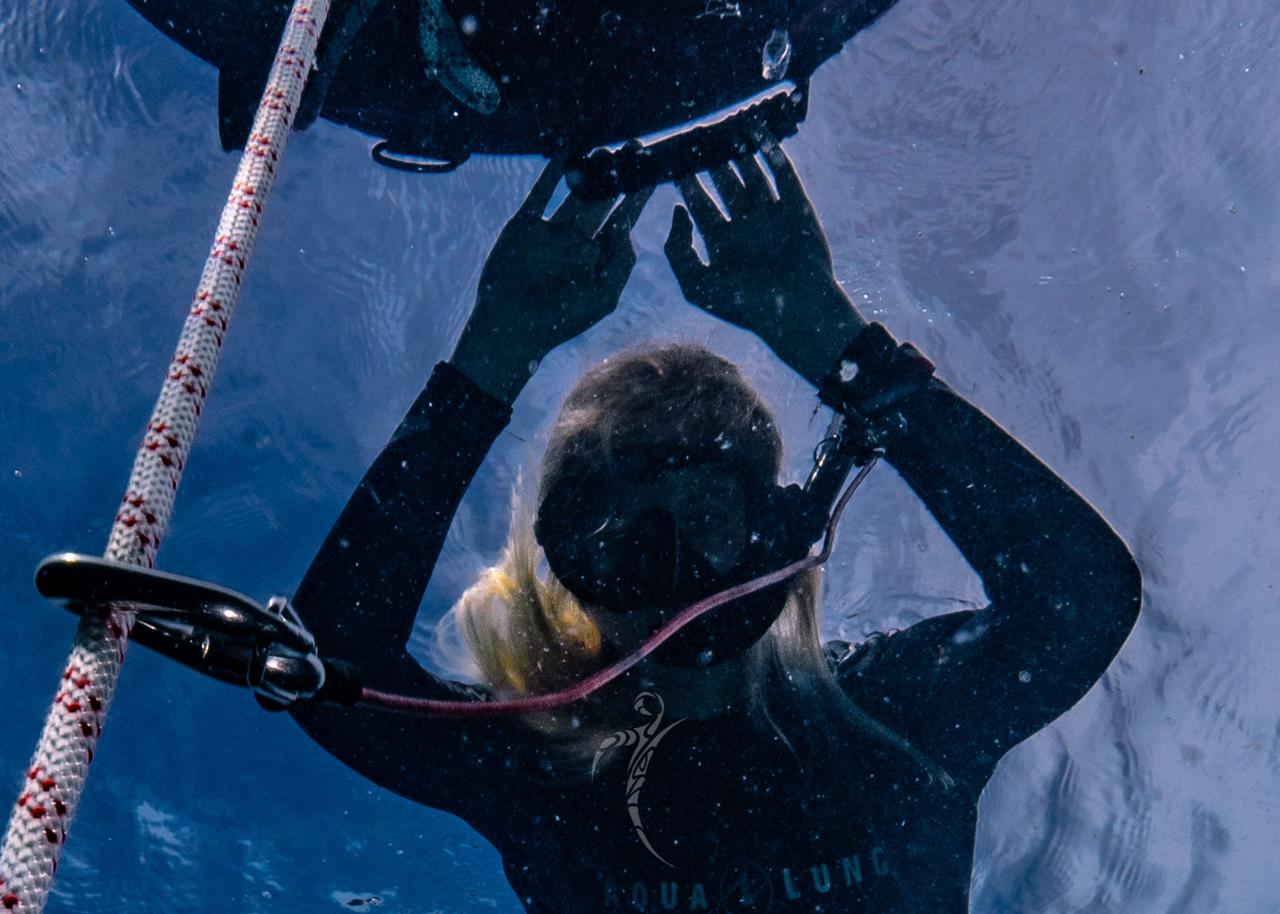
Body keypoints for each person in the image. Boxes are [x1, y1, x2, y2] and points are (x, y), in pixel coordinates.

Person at [288, 148, 1142, 913]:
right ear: (567, 559)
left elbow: (1081, 599)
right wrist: (493, 344)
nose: (668, 567)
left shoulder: (892, 715)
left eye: (703, 519)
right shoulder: (543, 766)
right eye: (624, 534)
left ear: (772, 535)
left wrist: (828, 333)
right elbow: (325, 667)